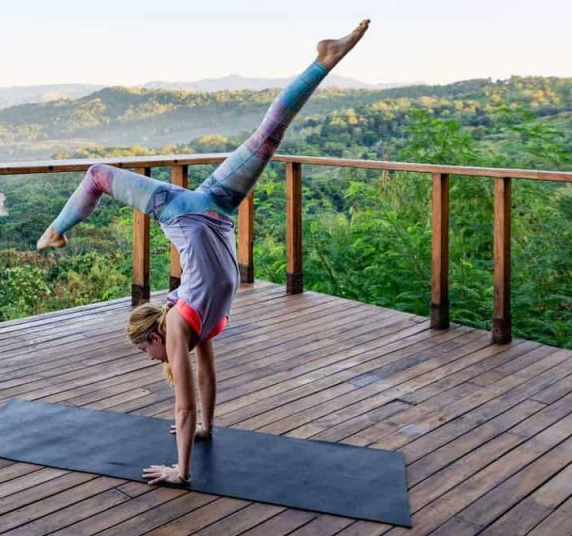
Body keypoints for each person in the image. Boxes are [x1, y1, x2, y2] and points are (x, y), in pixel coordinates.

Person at [37, 20, 370, 486]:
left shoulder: (179, 325)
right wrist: (207, 428)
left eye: (143, 352)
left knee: (97, 173)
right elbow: (206, 381)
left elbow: (184, 402)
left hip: (186, 213)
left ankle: (54, 231)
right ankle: (323, 61)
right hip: (215, 207)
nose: (151, 358)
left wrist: (181, 471)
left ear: (149, 338)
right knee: (267, 136)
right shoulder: (195, 320)